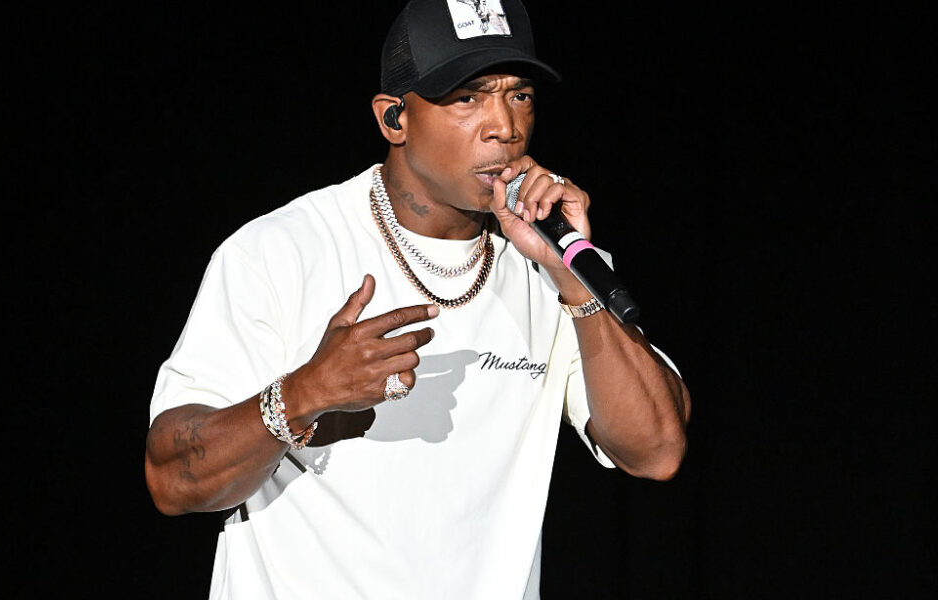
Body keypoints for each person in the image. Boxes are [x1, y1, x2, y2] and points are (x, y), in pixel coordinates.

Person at [145, 1, 690, 597]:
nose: (504, 127)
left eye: (520, 96)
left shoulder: (552, 264)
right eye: (468, 97)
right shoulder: (281, 251)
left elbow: (657, 451)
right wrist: (304, 394)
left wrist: (571, 281)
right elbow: (172, 480)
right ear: (394, 119)